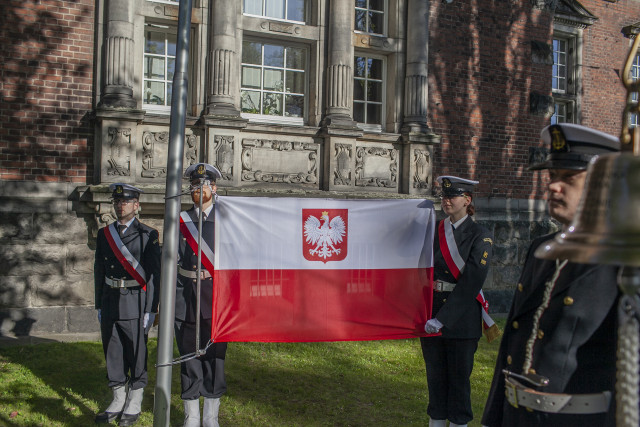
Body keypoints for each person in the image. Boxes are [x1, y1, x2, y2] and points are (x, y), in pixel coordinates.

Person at [481, 123, 621, 426]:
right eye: (552, 176)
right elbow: (514, 339)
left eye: (569, 178)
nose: (553, 186)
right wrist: (495, 416)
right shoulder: (541, 248)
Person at [421, 175, 494, 427]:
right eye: (444, 196)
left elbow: (471, 281)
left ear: (467, 200)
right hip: (431, 312)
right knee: (435, 379)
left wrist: (443, 319)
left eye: (452, 196)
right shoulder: (435, 229)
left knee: (459, 381)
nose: (446, 200)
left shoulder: (480, 236)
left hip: (461, 320)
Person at [94, 183, 161, 426]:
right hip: (111, 299)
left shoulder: (148, 235)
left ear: (137, 205)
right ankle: (117, 397)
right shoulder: (105, 234)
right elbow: (99, 270)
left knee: (136, 351)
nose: (120, 205)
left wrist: (151, 309)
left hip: (135, 300)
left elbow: (155, 275)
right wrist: (98, 303)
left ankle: (135, 398)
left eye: (125, 201)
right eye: (117, 201)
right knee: (112, 350)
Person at [175, 163, 227, 427]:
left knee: (215, 357)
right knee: (188, 356)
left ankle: (211, 415)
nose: (198, 189)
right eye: (194, 185)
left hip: (216, 298)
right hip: (186, 298)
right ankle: (192, 416)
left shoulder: (227, 220)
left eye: (204, 184)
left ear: (214, 188)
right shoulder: (181, 221)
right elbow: (171, 263)